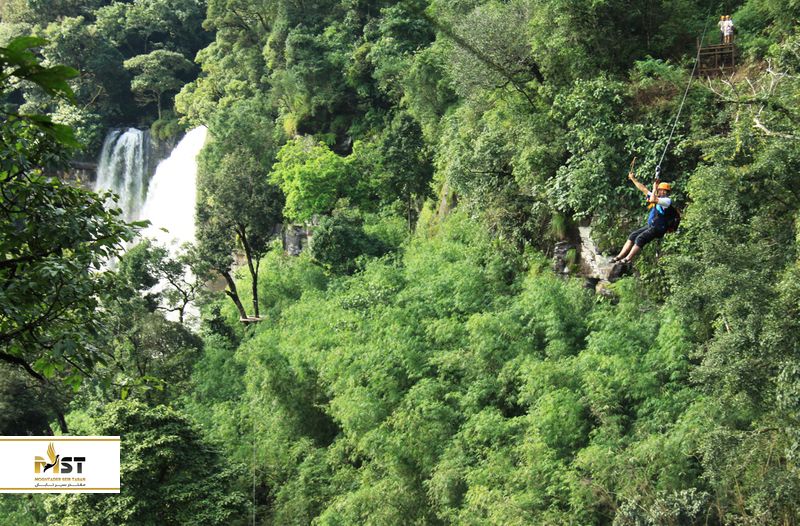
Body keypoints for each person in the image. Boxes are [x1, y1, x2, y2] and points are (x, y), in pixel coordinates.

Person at [611, 169, 676, 264]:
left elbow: (653, 199)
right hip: (652, 226)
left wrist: (654, 188)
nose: (663, 192)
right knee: (632, 236)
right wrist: (633, 179)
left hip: (658, 228)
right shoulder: (658, 197)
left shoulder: (666, 201)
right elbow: (643, 189)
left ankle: (627, 259)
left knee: (640, 239)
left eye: (665, 191)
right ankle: (619, 256)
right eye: (661, 190)